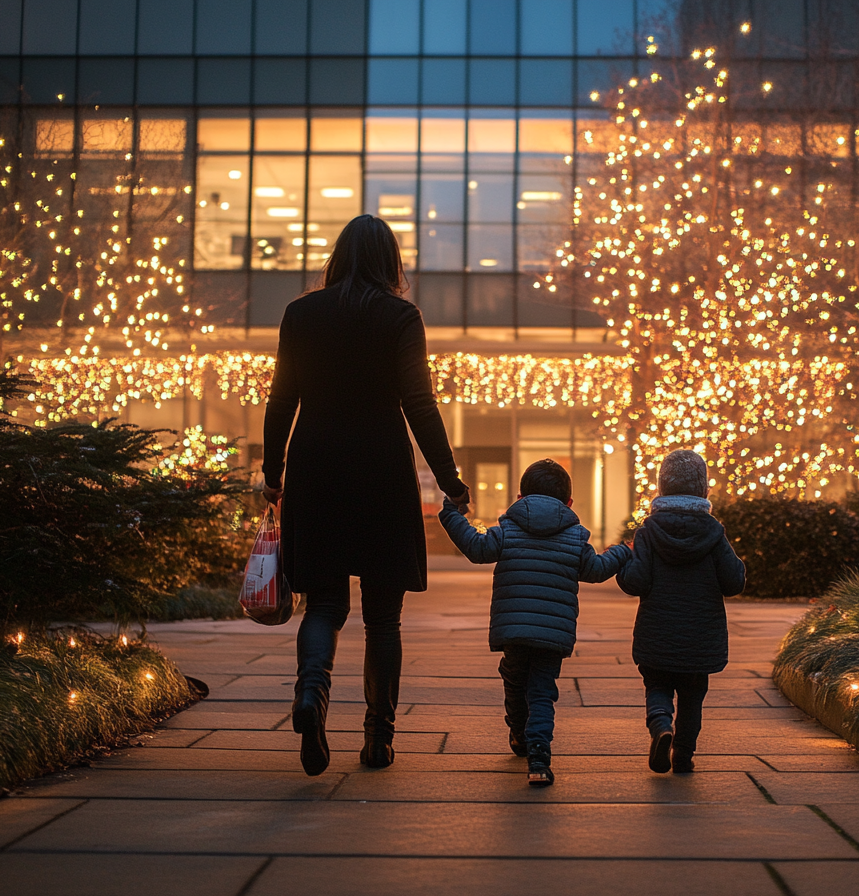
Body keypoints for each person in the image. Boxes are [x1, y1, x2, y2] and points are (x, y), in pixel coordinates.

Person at [262, 214, 470, 776]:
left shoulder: (300, 314)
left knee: (324, 604)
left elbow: (281, 400)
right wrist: (450, 481)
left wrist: (273, 471)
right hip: (382, 471)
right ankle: (378, 740)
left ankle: (312, 693)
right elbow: (419, 404)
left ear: (337, 257)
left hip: (316, 470)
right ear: (390, 263)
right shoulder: (401, 317)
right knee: (384, 619)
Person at [439, 459, 631, 786]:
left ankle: (518, 733)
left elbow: (474, 547)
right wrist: (623, 552)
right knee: (542, 691)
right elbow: (596, 570)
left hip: (514, 630)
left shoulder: (508, 530)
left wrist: (450, 513)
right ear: (568, 503)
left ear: (519, 497)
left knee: (514, 681)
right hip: (552, 635)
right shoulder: (574, 538)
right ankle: (539, 757)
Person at [618, 450, 746, 774]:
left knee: (657, 685)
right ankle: (684, 755)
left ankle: (661, 725)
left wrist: (621, 566)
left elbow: (635, 582)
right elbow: (733, 582)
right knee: (693, 697)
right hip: (700, 638)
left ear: (661, 487)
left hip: (657, 634)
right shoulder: (714, 533)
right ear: (703, 490)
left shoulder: (648, 531)